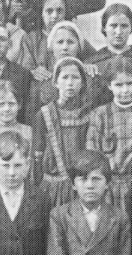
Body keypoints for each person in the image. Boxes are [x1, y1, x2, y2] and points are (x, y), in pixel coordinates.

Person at [86, 58, 132, 210]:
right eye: (118, 85)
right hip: (109, 188)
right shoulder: (100, 114)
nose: (125, 90)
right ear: (109, 85)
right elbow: (92, 155)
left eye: (130, 83)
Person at [32, 57, 91, 206]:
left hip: (82, 186)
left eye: (75, 77)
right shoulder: (44, 115)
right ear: (55, 82)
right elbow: (37, 157)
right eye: (64, 77)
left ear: (83, 83)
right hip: (52, 187)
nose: (70, 83)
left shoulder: (90, 113)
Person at [28, 18, 96, 117]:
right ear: (51, 47)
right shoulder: (41, 80)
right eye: (60, 42)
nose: (65, 47)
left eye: (70, 42)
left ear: (79, 47)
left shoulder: (89, 78)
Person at [83, 3, 132, 78]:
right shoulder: (92, 62)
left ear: (131, 28)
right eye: (113, 26)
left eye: (124, 26)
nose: (119, 32)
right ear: (104, 28)